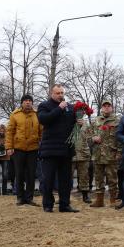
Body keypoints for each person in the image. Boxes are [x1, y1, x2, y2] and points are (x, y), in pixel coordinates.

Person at [37, 85, 80, 213]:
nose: (60, 95)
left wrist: (79, 124)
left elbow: (73, 125)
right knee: (48, 179)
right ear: (52, 94)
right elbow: (44, 120)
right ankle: (48, 205)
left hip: (66, 150)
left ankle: (64, 205)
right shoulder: (44, 106)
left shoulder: (70, 107)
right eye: (57, 93)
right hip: (50, 149)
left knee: (65, 180)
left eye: (62, 93)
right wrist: (59, 109)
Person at [6, 94, 42, 206]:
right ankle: (20, 197)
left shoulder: (37, 115)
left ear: (32, 103)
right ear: (22, 103)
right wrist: (9, 147)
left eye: (30, 101)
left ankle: (29, 197)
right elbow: (9, 132)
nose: (28, 102)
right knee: (19, 173)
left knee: (31, 174)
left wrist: (41, 144)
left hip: (33, 148)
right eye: (25, 101)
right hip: (18, 148)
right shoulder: (15, 115)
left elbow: (41, 131)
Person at [89, 100, 122, 207]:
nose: (106, 107)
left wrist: (120, 152)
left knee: (112, 178)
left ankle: (113, 200)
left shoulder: (117, 121)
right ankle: (99, 200)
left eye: (109, 106)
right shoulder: (96, 120)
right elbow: (88, 135)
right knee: (98, 178)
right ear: (102, 108)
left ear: (112, 108)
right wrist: (93, 138)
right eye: (105, 106)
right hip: (98, 154)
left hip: (111, 154)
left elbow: (120, 138)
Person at [72, 118, 93, 204]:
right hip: (71, 154)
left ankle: (85, 195)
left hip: (83, 154)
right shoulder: (69, 123)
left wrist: (84, 125)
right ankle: (64, 195)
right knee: (66, 177)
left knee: (84, 176)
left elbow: (90, 138)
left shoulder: (86, 125)